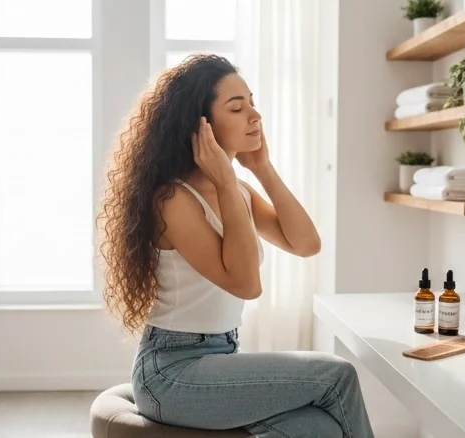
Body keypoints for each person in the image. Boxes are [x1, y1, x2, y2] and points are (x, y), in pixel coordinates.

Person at [97, 53, 375, 437]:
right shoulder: (173, 200)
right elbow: (246, 284)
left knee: (320, 428)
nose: (255, 116)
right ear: (201, 125)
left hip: (221, 357)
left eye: (252, 103)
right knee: (337, 375)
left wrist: (262, 168)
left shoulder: (238, 192)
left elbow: (306, 244)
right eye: (236, 107)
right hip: (171, 374)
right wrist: (226, 180)